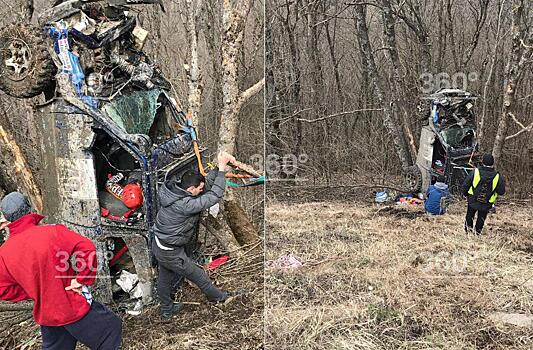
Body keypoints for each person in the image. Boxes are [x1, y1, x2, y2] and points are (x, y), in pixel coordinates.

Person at [0, 192, 122, 350]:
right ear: (29, 208)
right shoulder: (52, 232)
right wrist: (81, 279)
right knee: (111, 329)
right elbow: (88, 248)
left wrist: (34, 291)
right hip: (71, 306)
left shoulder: (3, 253)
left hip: (47, 314)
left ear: (8, 219)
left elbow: (3, 289)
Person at [152, 151, 235, 319]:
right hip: (169, 250)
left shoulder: (176, 191)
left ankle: (166, 310)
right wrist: (220, 169)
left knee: (165, 277)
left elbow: (206, 186)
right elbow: (213, 196)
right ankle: (219, 298)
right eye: (199, 189)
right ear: (191, 189)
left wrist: (220, 168)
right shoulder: (185, 205)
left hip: (160, 244)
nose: (201, 190)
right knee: (198, 275)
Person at [462, 153, 506, 234]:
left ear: (483, 162)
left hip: (472, 199)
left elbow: (466, 184)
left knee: (469, 216)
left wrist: (465, 194)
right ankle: (477, 233)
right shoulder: (497, 176)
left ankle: (468, 232)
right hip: (487, 201)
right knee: (481, 218)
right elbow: (501, 191)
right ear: (492, 163)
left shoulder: (475, 172)